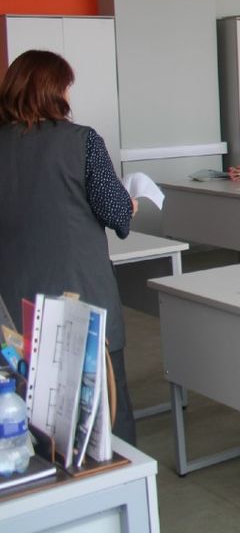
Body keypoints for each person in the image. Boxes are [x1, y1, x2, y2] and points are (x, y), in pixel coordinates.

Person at [0, 50, 138, 444]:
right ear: (54, 90)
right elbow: (116, 213)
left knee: (23, 414)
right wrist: (129, 205)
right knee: (101, 419)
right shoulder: (82, 141)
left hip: (12, 306)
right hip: (80, 298)